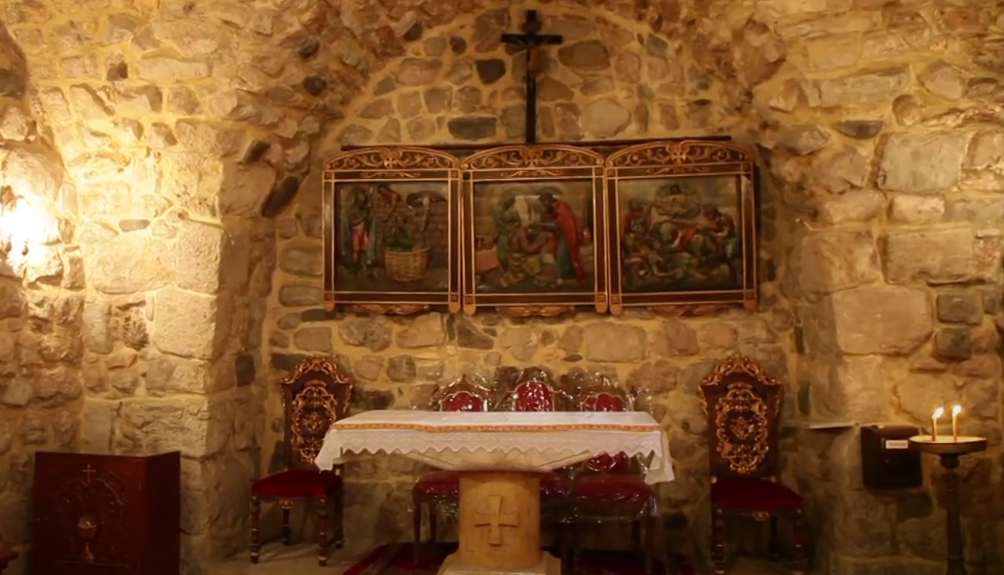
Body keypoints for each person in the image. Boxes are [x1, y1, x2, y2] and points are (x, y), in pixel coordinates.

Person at [537, 189, 584, 285]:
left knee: (562, 255)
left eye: (543, 203)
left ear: (548, 200)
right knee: (563, 255)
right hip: (561, 235)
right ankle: (568, 276)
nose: (543, 205)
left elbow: (561, 223)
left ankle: (563, 277)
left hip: (567, 234)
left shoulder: (561, 207)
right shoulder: (553, 208)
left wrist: (544, 226)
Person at [491, 190, 522, 270]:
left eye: (512, 201)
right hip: (503, 234)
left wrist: (514, 228)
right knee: (502, 255)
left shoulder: (513, 210)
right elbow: (500, 224)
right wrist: (509, 232)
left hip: (514, 232)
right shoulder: (497, 210)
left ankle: (515, 269)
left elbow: (518, 221)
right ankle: (506, 269)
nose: (511, 203)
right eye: (510, 201)